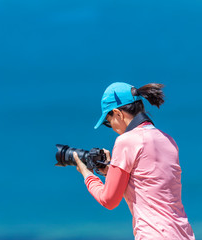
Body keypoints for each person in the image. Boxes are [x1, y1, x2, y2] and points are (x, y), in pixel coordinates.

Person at [73, 82, 195, 239]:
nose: (112, 127)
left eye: (108, 121)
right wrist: (111, 172)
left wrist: (87, 174)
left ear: (118, 114)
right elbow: (149, 185)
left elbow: (109, 200)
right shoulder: (169, 140)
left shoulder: (126, 141)